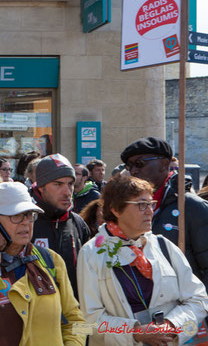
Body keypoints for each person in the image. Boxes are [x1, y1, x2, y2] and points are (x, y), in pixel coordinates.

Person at [0, 182, 86, 345]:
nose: (26, 222)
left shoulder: (51, 260)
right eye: (16, 215)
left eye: (29, 215)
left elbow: (78, 321)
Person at [77, 175, 208, 345]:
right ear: (116, 209)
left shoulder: (163, 245)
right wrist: (135, 332)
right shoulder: (91, 253)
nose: (150, 211)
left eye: (151, 204)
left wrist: (171, 325)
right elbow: (90, 322)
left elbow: (198, 299)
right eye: (141, 205)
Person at [121, 136, 208, 287]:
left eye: (139, 163)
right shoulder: (126, 207)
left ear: (164, 164)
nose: (134, 170)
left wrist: (198, 307)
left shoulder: (191, 206)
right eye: (129, 166)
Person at [30, 154, 90, 298]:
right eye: (58, 184)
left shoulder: (77, 223)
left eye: (70, 184)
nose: (67, 192)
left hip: (74, 313)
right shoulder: (25, 222)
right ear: (41, 187)